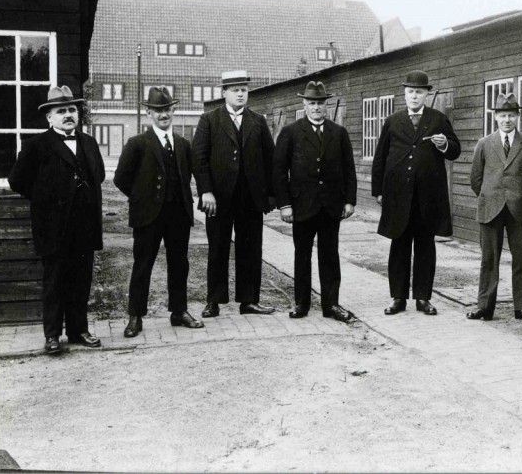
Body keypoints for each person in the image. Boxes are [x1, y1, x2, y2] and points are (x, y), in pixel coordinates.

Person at [8, 86, 104, 354]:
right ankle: (52, 336)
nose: (68, 115)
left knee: (81, 281)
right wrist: (46, 201)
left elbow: (99, 176)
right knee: (55, 282)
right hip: (53, 228)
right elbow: (17, 180)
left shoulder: (89, 142)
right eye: (61, 111)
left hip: (84, 226)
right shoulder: (37, 146)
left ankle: (78, 330)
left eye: (72, 109)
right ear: (49, 117)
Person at [113, 87, 204, 338]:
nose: (163, 114)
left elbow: (192, 176)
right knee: (143, 265)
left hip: (178, 214)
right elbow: (121, 178)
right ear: (149, 113)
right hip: (148, 216)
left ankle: (179, 311)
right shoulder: (138, 143)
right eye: (158, 110)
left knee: (179, 264)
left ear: (173, 110)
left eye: (167, 109)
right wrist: (142, 198)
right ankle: (135, 316)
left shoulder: (184, 145)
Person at [372, 70, 461, 316]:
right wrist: (378, 191)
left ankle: (423, 298)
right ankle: (398, 298)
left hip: (427, 197)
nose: (414, 96)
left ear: (426, 94)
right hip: (398, 196)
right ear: (405, 93)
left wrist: (445, 145)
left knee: (425, 247)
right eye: (410, 91)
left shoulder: (438, 120)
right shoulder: (393, 121)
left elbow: (455, 150)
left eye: (419, 92)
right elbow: (380, 157)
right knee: (399, 246)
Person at [193, 70, 276, 318]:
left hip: (250, 199)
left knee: (250, 249)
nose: (240, 94)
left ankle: (249, 301)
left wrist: (271, 196)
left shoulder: (258, 121)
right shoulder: (209, 120)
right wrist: (206, 191)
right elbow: (198, 158)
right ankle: (214, 301)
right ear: (224, 93)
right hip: (218, 200)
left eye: (244, 90)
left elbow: (271, 160)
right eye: (235, 90)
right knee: (217, 249)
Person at [273, 81, 357, 322]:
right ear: (304, 105)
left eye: (320, 103)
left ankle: (331, 305)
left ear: (326, 105)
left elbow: (348, 169)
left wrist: (349, 201)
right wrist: (285, 204)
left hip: (331, 206)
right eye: (312, 103)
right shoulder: (291, 132)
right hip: (302, 206)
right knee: (302, 255)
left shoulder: (338, 132)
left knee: (330, 255)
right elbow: (279, 171)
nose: (316, 107)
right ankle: (301, 303)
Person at [467, 92, 522, 322]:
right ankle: (485, 307)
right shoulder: (484, 144)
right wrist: (491, 195)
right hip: (490, 208)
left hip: (518, 210)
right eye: (502, 115)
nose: (507, 120)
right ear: (495, 117)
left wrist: (519, 197)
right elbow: (475, 179)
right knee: (489, 258)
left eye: (511, 115)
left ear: (517, 116)